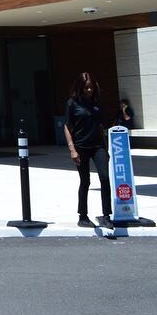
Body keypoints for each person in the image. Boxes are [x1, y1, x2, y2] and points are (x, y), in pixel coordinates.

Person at [64, 72, 113, 228]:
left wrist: (105, 149)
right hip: (81, 147)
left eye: (91, 86)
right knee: (85, 181)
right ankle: (83, 216)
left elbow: (100, 126)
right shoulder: (73, 103)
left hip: (98, 146)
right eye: (86, 87)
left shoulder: (96, 103)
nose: (89, 90)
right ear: (80, 87)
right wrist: (72, 149)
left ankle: (106, 215)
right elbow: (67, 126)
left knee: (105, 178)